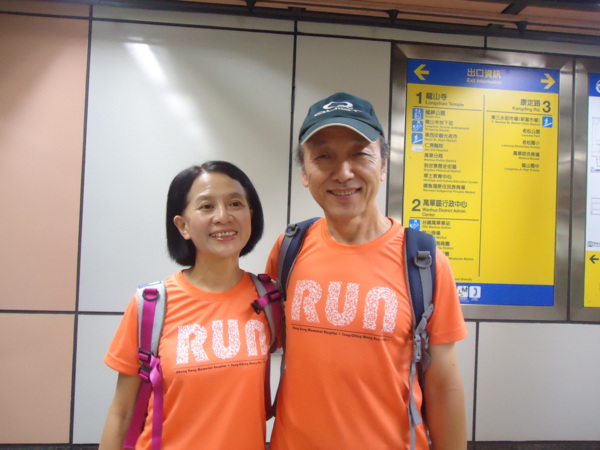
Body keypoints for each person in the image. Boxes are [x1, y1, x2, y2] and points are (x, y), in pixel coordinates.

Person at [265, 92, 468, 449]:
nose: (343, 173)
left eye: (359, 154)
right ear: (305, 173)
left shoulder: (423, 261)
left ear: (384, 165)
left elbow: (443, 383)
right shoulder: (288, 250)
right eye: (323, 157)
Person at [100, 161, 272, 450]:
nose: (223, 216)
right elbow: (122, 412)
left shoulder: (268, 300)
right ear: (182, 226)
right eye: (206, 206)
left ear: (250, 215)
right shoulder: (151, 305)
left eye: (235, 203)